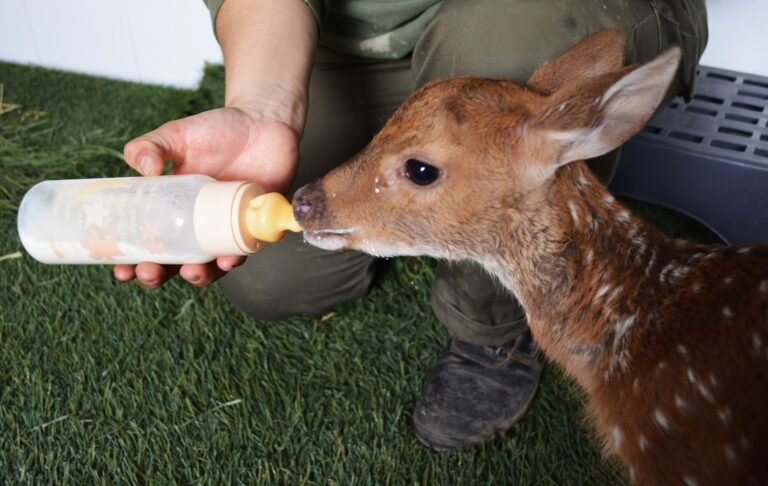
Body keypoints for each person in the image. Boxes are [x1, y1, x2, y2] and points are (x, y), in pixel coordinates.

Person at [114, 0, 707, 451]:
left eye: (420, 171)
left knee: (507, 42)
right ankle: (413, 186)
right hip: (353, 49)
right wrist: (262, 109)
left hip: (530, 18)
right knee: (272, 274)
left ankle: (493, 328)